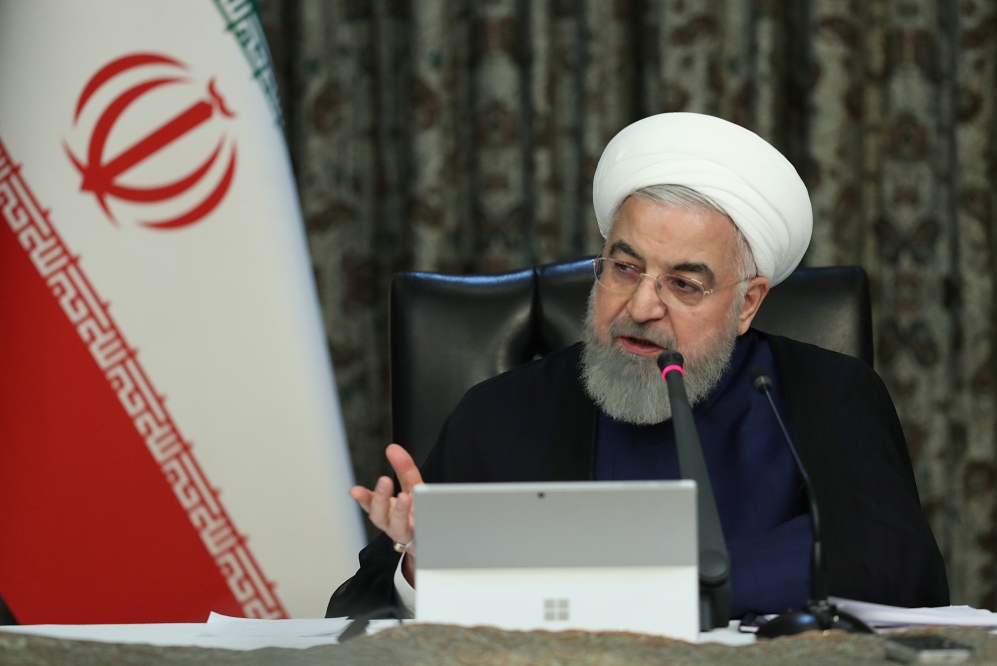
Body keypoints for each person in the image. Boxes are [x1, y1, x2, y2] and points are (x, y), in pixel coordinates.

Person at [326, 113, 949, 619]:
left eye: (684, 283)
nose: (643, 306)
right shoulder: (502, 413)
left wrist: (645, 592)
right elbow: (354, 611)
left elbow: (897, 569)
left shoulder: (824, 395)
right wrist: (419, 568)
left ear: (746, 303)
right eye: (626, 269)